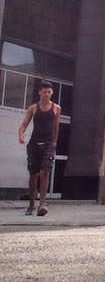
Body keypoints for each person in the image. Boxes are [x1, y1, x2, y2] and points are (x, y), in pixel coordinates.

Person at [18, 81, 61, 217]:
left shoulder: (56, 108)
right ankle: (31, 205)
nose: (46, 94)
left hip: (49, 144)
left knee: (45, 172)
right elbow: (25, 123)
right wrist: (21, 134)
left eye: (49, 92)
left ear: (52, 93)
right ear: (39, 92)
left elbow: (56, 127)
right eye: (44, 92)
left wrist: (55, 142)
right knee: (34, 175)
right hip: (34, 144)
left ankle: (42, 205)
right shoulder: (33, 108)